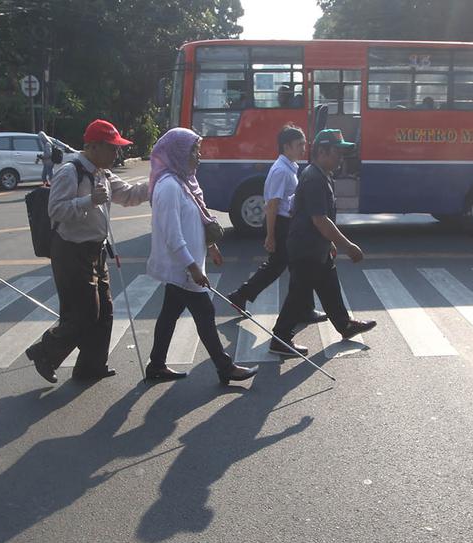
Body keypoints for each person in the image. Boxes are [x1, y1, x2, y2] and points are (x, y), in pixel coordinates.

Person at [24, 119, 151, 384]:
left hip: (96, 250)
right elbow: (56, 210)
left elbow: (127, 195)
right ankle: (45, 352)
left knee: (104, 311)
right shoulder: (70, 172)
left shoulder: (101, 172)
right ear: (93, 147)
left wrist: (157, 182)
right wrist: (89, 201)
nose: (117, 154)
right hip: (71, 251)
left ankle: (91, 365)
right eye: (112, 148)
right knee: (83, 314)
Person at [143, 128, 258, 385]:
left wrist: (211, 246)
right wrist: (192, 266)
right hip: (183, 267)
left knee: (169, 314)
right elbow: (172, 236)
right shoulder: (169, 187)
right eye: (194, 151)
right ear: (178, 153)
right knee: (205, 312)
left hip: (187, 264)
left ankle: (156, 365)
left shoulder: (184, 181)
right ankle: (225, 367)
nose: (199, 156)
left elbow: (195, 219)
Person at [269, 128, 376, 357]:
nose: (341, 158)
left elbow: (321, 220)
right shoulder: (314, 178)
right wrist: (348, 246)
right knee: (299, 294)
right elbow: (320, 220)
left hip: (316, 247)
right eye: (337, 152)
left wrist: (331, 243)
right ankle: (280, 338)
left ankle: (344, 324)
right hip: (306, 247)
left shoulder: (322, 174)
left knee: (329, 285)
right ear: (322, 151)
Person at [226, 124, 325, 325]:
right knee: (292, 267)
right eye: (299, 145)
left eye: (304, 144)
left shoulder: (289, 168)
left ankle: (242, 296)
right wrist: (270, 235)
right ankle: (303, 309)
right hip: (283, 226)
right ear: (286, 146)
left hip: (287, 224)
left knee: (290, 267)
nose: (303, 148)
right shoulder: (281, 171)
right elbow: (272, 205)